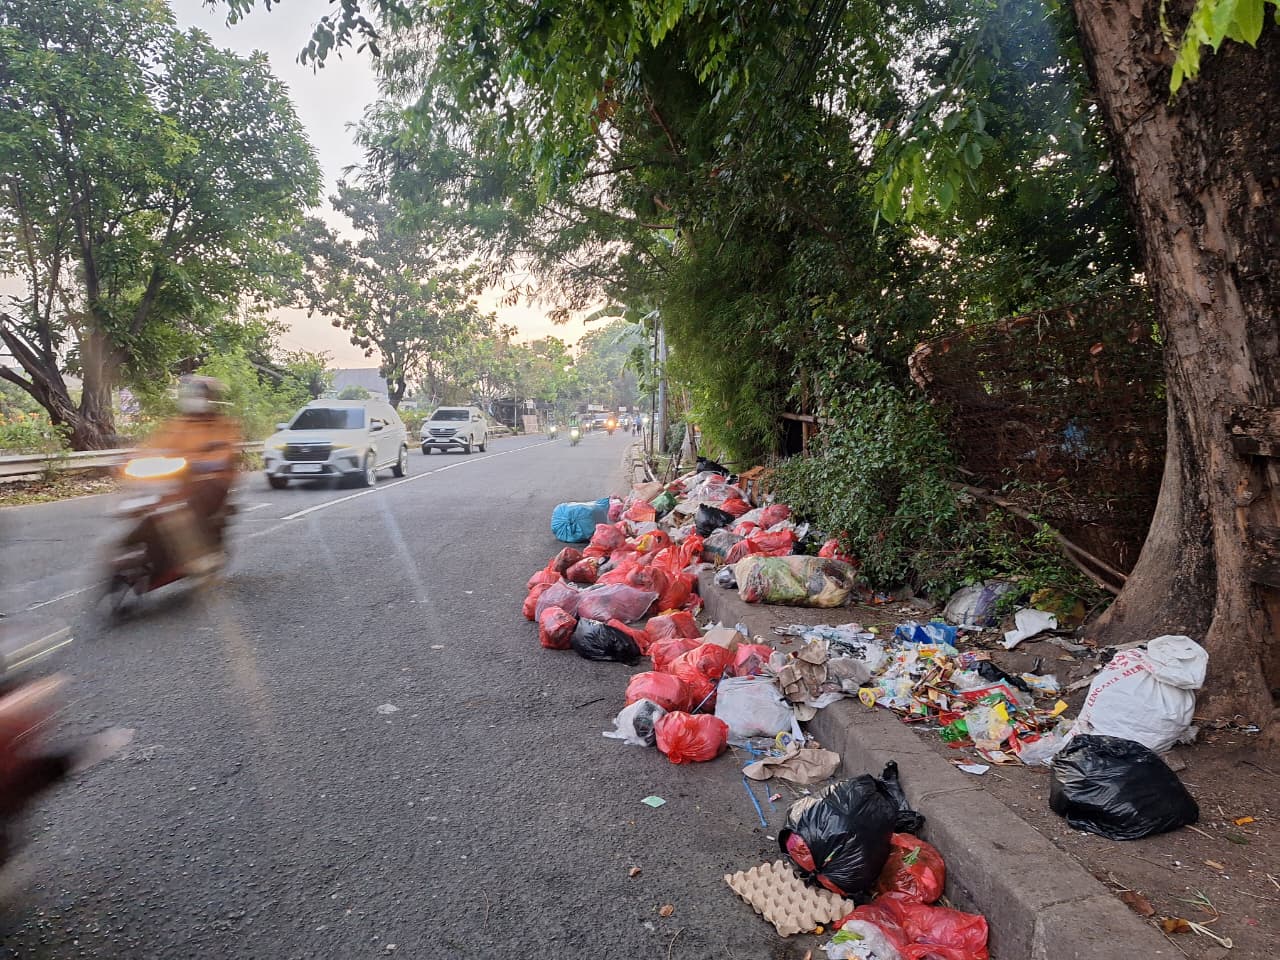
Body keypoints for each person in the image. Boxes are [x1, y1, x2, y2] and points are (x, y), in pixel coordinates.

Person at [135, 376, 242, 576]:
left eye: (199, 395)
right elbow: (156, 445)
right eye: (192, 394)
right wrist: (133, 458)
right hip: (182, 478)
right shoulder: (178, 423)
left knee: (191, 507)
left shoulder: (222, 425)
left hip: (214, 480)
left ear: (210, 398)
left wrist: (204, 463)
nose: (195, 399)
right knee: (151, 507)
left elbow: (226, 453)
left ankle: (199, 553)